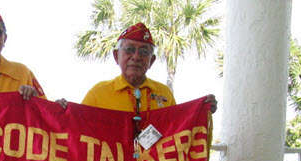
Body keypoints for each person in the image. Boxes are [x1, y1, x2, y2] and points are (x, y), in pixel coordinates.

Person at [80, 22, 216, 112]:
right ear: (116, 56)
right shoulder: (98, 93)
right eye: (130, 49)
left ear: (152, 61)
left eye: (144, 52)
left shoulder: (164, 94)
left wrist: (202, 109)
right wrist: (62, 113)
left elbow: (177, 131)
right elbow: (76, 129)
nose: (136, 56)